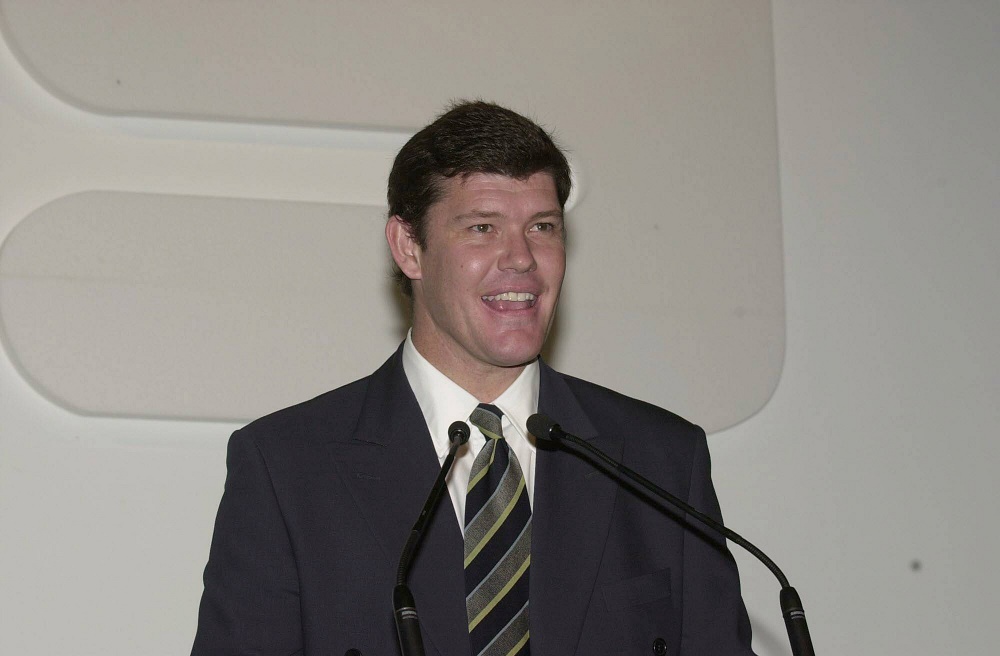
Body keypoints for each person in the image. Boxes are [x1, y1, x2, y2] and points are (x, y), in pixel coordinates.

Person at [192, 101, 755, 655]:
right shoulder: (287, 468)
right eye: (483, 228)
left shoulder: (659, 461)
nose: (521, 259)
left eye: (542, 227)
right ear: (409, 248)